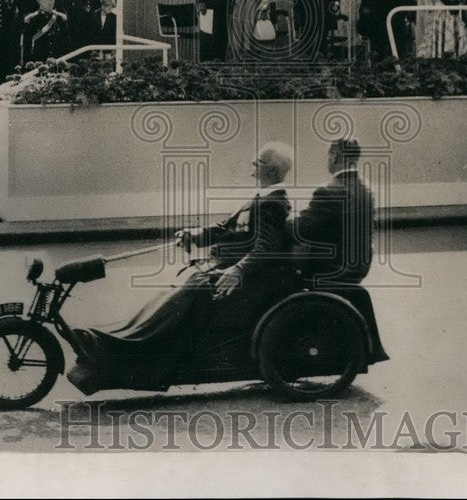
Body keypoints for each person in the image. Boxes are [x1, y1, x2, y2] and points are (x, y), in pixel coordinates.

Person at [67, 142, 296, 392]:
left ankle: (128, 349)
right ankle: (124, 342)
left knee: (184, 295)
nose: (252, 164)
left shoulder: (273, 203)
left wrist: (238, 270)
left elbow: (267, 247)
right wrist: (195, 235)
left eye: (259, 162)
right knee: (171, 294)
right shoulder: (260, 197)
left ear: (273, 172)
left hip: (241, 278)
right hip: (221, 268)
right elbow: (225, 229)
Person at [288, 138, 375, 287]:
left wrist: (289, 218)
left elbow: (300, 230)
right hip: (359, 268)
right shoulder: (367, 189)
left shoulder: (328, 191)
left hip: (329, 268)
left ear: (334, 155)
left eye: (328, 155)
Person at [22, 0, 69, 64]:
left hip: (57, 61)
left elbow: (66, 44)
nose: (50, 1)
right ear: (38, 0)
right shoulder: (31, 19)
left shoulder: (61, 18)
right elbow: (27, 47)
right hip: (38, 63)